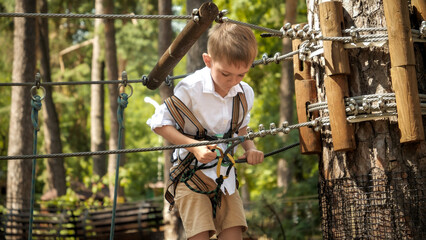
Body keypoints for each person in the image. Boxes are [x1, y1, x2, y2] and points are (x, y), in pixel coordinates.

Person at [147, 22, 264, 240]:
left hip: (224, 176)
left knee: (233, 234)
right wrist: (194, 147)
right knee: (199, 235)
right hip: (190, 175)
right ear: (208, 61)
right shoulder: (191, 89)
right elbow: (160, 124)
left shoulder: (244, 93)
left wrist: (250, 147)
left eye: (241, 75)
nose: (233, 82)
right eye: (226, 74)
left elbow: (241, 127)